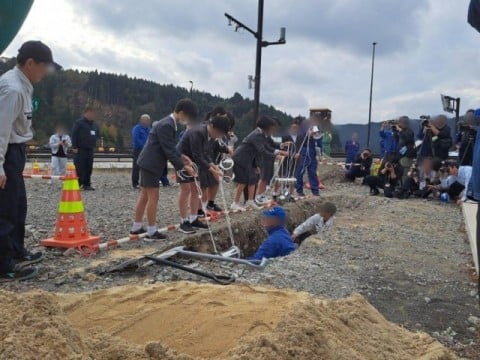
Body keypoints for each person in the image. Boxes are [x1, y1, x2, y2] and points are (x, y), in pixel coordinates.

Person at [0, 40, 60, 281]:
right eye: (44, 67)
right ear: (30, 63)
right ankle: (3, 266)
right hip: (7, 151)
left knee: (18, 205)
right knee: (4, 210)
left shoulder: (24, 85)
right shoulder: (12, 88)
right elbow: (0, 130)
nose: (46, 73)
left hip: (16, 150)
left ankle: (15, 251)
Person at [130, 99, 196, 240]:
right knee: (153, 196)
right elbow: (169, 150)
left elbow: (171, 147)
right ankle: (151, 231)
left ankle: (136, 227)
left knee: (144, 196)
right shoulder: (167, 124)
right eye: (188, 117)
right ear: (182, 113)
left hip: (149, 162)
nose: (187, 120)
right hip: (151, 163)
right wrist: (184, 167)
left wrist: (183, 157)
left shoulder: (169, 123)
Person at [176, 116, 230, 234]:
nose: (219, 136)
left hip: (194, 162)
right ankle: (183, 221)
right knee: (185, 190)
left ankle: (193, 218)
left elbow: (205, 154)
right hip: (182, 160)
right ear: (212, 126)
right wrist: (212, 170)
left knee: (197, 190)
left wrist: (213, 166)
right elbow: (197, 155)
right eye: (219, 133)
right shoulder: (198, 132)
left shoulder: (209, 135)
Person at [231, 116, 288, 211]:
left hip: (249, 160)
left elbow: (268, 146)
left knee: (253, 179)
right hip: (240, 158)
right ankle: (235, 203)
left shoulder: (263, 134)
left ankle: (250, 201)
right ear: (266, 127)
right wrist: (276, 156)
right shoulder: (257, 135)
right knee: (242, 181)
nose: (272, 129)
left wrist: (255, 164)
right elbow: (262, 150)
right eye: (271, 127)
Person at [71, 106, 99, 190]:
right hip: (80, 149)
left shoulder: (94, 125)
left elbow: (97, 134)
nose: (91, 115)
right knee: (79, 167)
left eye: (93, 114)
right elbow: (74, 134)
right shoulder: (79, 123)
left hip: (90, 149)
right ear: (85, 113)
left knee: (89, 167)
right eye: (90, 113)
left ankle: (87, 184)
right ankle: (78, 183)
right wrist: (74, 146)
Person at [295, 116, 322, 197]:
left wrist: (320, 154)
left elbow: (319, 141)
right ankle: (299, 190)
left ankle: (315, 191)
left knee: (313, 172)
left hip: (313, 151)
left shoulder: (317, 128)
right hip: (304, 150)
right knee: (301, 171)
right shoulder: (303, 129)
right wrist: (307, 135)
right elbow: (299, 139)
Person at [131, 114, 151, 189]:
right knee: (136, 166)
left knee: (146, 167)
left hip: (147, 151)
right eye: (145, 120)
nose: (147, 122)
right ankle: (135, 183)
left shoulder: (149, 129)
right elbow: (136, 139)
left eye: (148, 120)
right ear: (141, 120)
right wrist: (144, 146)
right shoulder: (137, 128)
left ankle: (144, 182)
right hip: (138, 150)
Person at [395, 116, 416, 183]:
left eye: (400, 122)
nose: (399, 124)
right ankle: (402, 186)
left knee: (405, 172)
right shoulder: (402, 131)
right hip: (401, 155)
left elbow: (408, 139)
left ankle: (406, 188)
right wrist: (395, 130)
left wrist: (400, 131)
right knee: (401, 172)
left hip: (407, 155)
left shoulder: (409, 131)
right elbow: (396, 138)